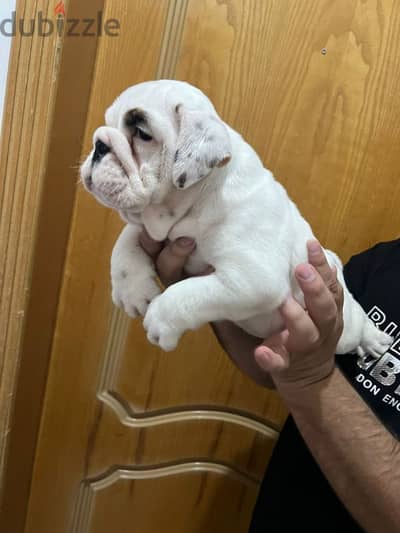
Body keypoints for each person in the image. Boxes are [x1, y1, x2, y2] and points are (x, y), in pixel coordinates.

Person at [139, 229, 400, 532]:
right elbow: (281, 364)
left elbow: (306, 376)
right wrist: (210, 293)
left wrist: (311, 379)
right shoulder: (388, 261)